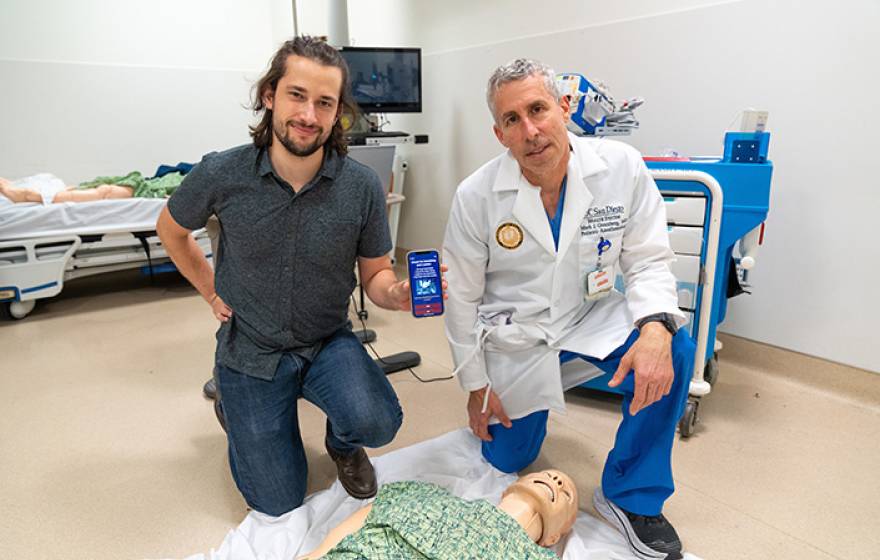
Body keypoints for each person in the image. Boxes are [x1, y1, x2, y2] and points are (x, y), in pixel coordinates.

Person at [157, 36, 441, 516]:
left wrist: (398, 294)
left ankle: (343, 443)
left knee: (378, 421)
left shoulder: (361, 187)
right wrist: (210, 292)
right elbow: (171, 230)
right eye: (297, 95)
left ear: (337, 114)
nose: (309, 115)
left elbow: (375, 276)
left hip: (326, 340)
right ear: (270, 95)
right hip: (251, 347)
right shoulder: (223, 173)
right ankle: (232, 403)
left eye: (324, 103)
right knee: (277, 501)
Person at [442, 58, 696, 560]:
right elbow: (462, 297)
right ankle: (512, 412)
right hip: (517, 334)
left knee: (674, 346)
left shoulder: (619, 168)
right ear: (499, 133)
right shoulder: (476, 196)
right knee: (509, 457)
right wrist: (475, 386)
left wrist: (654, 330)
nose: (531, 131)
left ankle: (631, 495)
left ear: (563, 107)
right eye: (512, 120)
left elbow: (647, 259)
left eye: (538, 109)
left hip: (589, 315)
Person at [297, 469, 578, 559]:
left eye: (566, 493)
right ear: (508, 490)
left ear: (554, 537)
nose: (557, 481)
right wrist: (316, 554)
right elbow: (371, 515)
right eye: (547, 474)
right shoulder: (432, 496)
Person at [0, 171, 184, 204]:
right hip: (156, 183)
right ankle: (31, 192)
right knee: (106, 185)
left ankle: (35, 196)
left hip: (159, 190)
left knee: (106, 191)